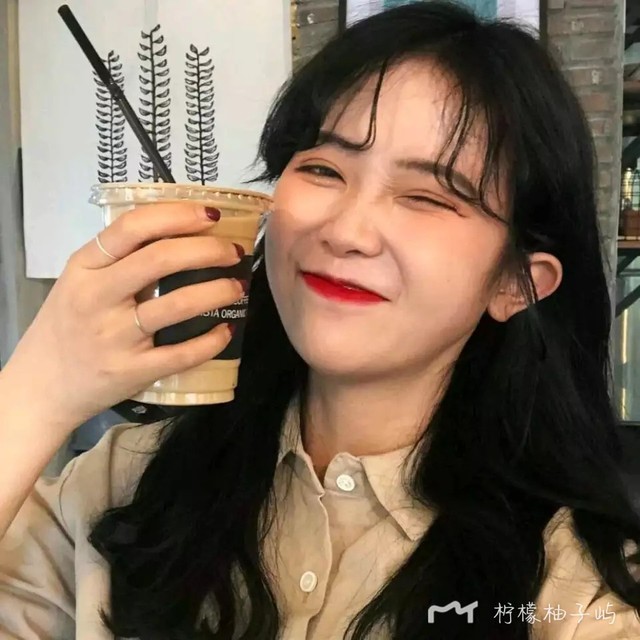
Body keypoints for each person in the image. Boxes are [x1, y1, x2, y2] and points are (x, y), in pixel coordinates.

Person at [0, 1, 639, 638]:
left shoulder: (576, 596)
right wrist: (36, 392)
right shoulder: (122, 483)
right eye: (324, 169)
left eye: (426, 197)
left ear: (516, 283)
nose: (347, 231)